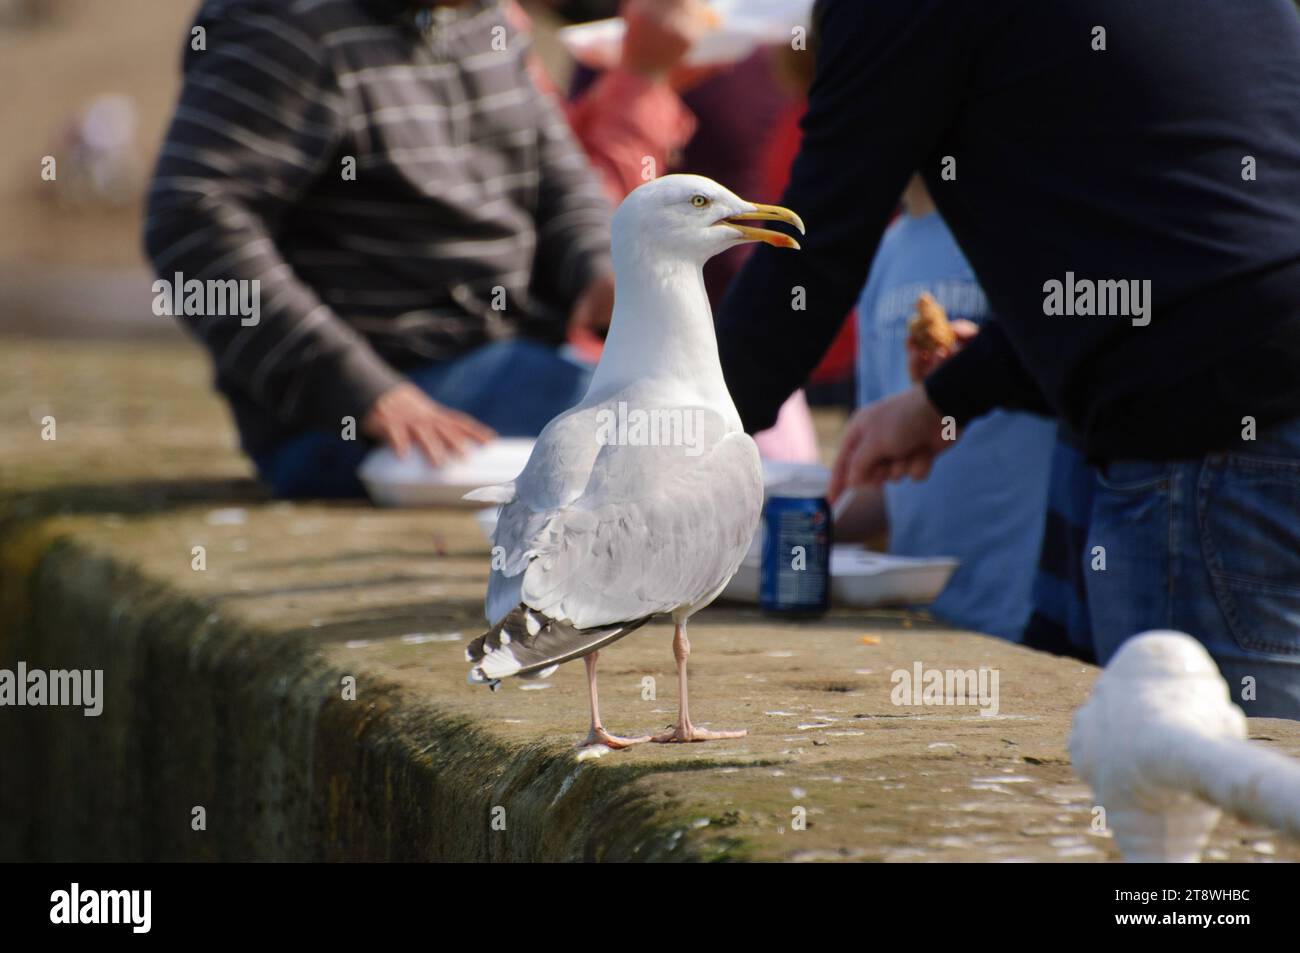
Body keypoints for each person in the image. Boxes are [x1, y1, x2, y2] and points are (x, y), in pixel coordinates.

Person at [716, 0, 1300, 717]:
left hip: (1213, 428)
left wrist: (655, 456)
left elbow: (809, 249)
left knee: (1218, 810)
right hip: (1225, 393)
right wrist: (948, 396)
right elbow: (1176, 242)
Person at [145, 0, 616, 497]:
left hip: (517, 358)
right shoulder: (285, 26)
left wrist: (600, 270)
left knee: (674, 415)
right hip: (352, 416)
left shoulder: (481, 17)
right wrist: (359, 390)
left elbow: (561, 182)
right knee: (662, 435)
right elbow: (191, 218)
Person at [838, 176, 1055, 641]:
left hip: (1030, 616)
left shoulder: (1028, 228)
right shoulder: (889, 248)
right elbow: (886, 477)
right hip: (921, 619)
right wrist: (800, 528)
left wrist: (973, 375)